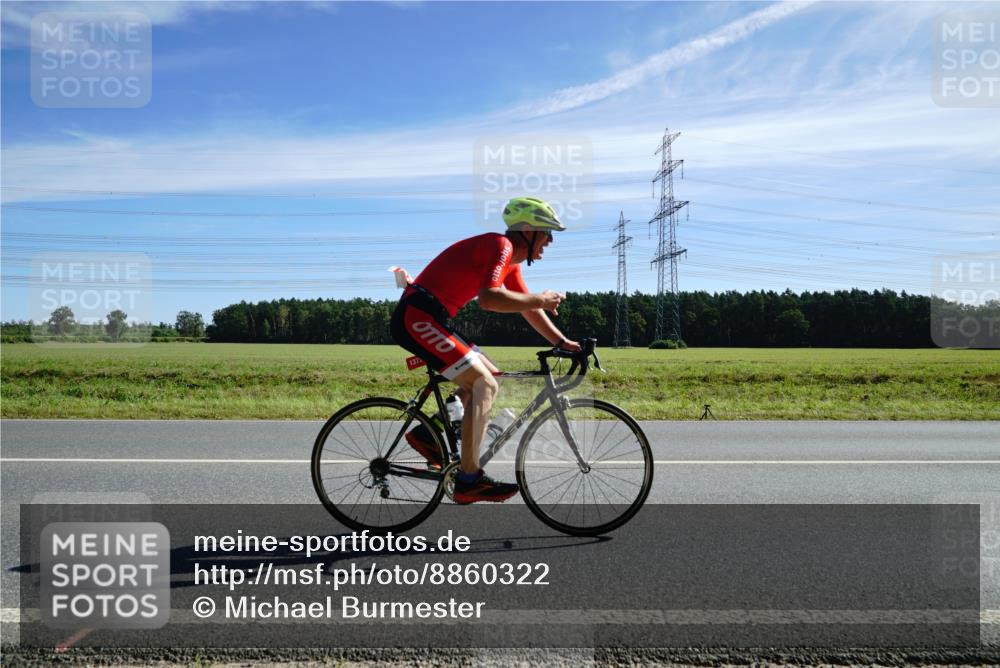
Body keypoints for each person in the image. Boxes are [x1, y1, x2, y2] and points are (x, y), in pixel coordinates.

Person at [389, 196, 581, 504]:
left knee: (489, 373)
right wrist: (541, 299)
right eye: (547, 231)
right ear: (529, 231)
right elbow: (490, 299)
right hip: (418, 317)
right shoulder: (500, 246)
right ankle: (469, 479)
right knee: (483, 383)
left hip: (432, 317)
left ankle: (428, 436)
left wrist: (562, 342)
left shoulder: (510, 264)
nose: (551, 239)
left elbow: (526, 308)